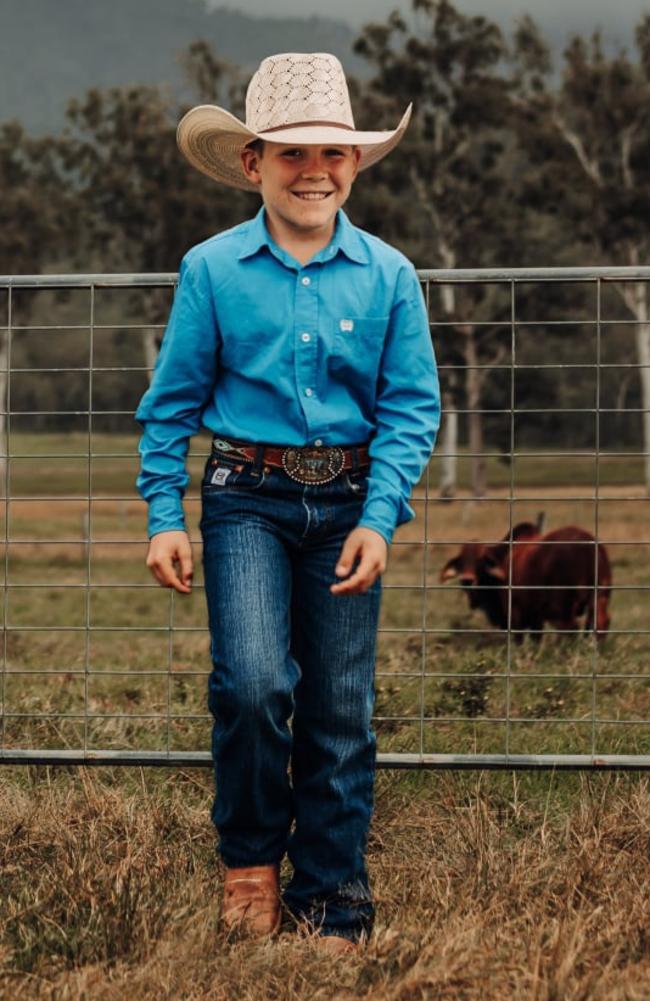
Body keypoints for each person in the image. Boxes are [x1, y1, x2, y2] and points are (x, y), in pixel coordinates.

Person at [136, 52, 440, 954]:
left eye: (334, 153)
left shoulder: (389, 276)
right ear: (252, 162)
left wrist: (381, 516)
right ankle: (251, 859)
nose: (316, 170)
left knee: (342, 705)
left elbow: (411, 405)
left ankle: (335, 900)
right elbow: (172, 402)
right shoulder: (213, 270)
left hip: (350, 503)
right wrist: (163, 514)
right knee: (255, 684)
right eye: (293, 153)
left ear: (355, 163)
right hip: (245, 498)